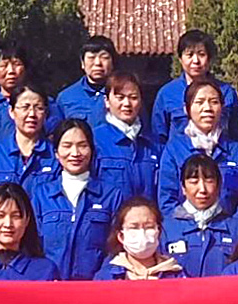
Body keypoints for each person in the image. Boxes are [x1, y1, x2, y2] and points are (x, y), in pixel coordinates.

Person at [29, 119, 126, 279]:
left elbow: (116, 247)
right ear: (56, 152)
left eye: (82, 145)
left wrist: (101, 279)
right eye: (67, 146)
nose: (75, 153)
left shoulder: (111, 195)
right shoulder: (42, 195)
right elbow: (32, 245)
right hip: (49, 285)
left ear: (92, 150)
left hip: (95, 287)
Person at [156, 77, 238, 212]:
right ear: (187, 109)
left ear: (222, 108)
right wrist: (187, 224)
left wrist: (232, 223)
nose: (207, 108)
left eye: (214, 102)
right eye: (199, 102)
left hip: (229, 224)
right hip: (185, 224)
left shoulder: (237, 152)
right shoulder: (174, 151)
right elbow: (167, 201)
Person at [149, 29, 238, 149]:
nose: (196, 61)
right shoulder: (167, 94)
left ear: (209, 59)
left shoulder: (226, 92)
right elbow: (158, 138)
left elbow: (237, 133)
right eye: (189, 55)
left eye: (201, 54)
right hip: (180, 157)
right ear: (180, 59)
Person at [161, 153, 238, 277]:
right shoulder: (166, 230)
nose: (202, 189)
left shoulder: (236, 229)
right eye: (194, 182)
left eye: (209, 181)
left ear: (219, 186)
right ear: (183, 188)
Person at [92, 71, 157, 200]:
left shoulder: (153, 143)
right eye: (120, 98)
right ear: (107, 101)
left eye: (133, 97)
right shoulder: (95, 140)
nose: (127, 104)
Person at [0, 85, 59, 188]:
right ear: (11, 112)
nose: (32, 114)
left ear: (45, 114)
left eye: (39, 108)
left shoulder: (55, 155)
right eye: (25, 107)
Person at [53, 35, 117, 127]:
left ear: (113, 63)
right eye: (91, 57)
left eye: (104, 57)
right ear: (82, 63)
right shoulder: (65, 97)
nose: (97, 63)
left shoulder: (123, 95)